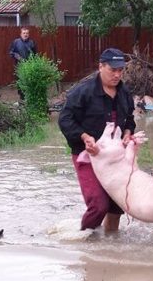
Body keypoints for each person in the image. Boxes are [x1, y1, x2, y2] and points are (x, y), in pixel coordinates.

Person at [58, 48, 136, 233]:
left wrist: (127, 132)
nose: (117, 75)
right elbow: (65, 119)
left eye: (120, 70)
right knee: (98, 205)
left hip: (114, 156)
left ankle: (110, 245)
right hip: (87, 154)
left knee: (117, 204)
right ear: (100, 66)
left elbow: (130, 119)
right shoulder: (82, 92)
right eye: (112, 70)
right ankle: (86, 240)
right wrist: (84, 136)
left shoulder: (124, 93)